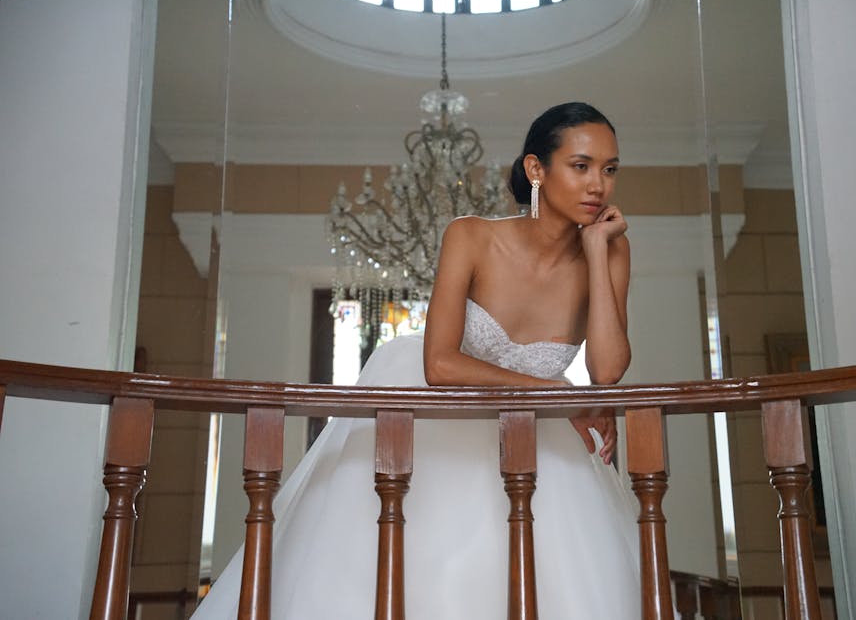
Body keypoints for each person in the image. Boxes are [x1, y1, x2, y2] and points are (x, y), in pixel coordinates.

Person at [191, 102, 643, 619]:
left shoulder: (610, 250)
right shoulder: (471, 235)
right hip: (437, 418)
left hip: (538, 433)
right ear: (536, 169)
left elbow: (607, 371)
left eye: (609, 170)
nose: (598, 186)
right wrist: (556, 393)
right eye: (581, 166)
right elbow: (441, 366)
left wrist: (595, 251)